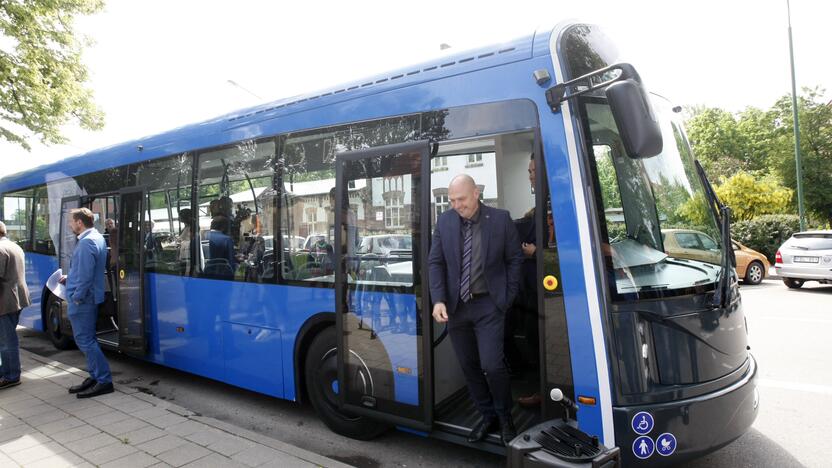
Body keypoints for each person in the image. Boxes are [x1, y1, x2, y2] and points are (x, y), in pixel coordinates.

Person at [428, 174, 523, 446]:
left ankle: (506, 419)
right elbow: (435, 262)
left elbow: (514, 259)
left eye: (461, 199)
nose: (456, 205)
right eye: (452, 200)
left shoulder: (501, 220)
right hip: (457, 308)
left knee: (492, 365)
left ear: (476, 194)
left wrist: (506, 296)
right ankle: (487, 416)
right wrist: (438, 299)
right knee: (469, 367)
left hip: (488, 305)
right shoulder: (445, 221)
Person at [61, 208, 113, 398]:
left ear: (79, 222)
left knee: (85, 341)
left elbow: (85, 276)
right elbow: (84, 271)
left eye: (71, 221)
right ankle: (95, 376)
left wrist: (76, 296)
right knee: (88, 339)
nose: (70, 224)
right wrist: (70, 277)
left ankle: (104, 380)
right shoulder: (97, 238)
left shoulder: (86, 243)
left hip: (83, 300)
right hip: (89, 296)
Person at [0, 221, 31, 389]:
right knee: (7, 337)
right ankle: (7, 370)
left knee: (6, 340)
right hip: (17, 298)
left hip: (5, 301)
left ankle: (11, 375)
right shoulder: (14, 246)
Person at [177, 208, 192, 275]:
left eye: (180, 215)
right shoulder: (187, 227)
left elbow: (181, 240)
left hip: (186, 253)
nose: (178, 217)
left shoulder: (189, 228)